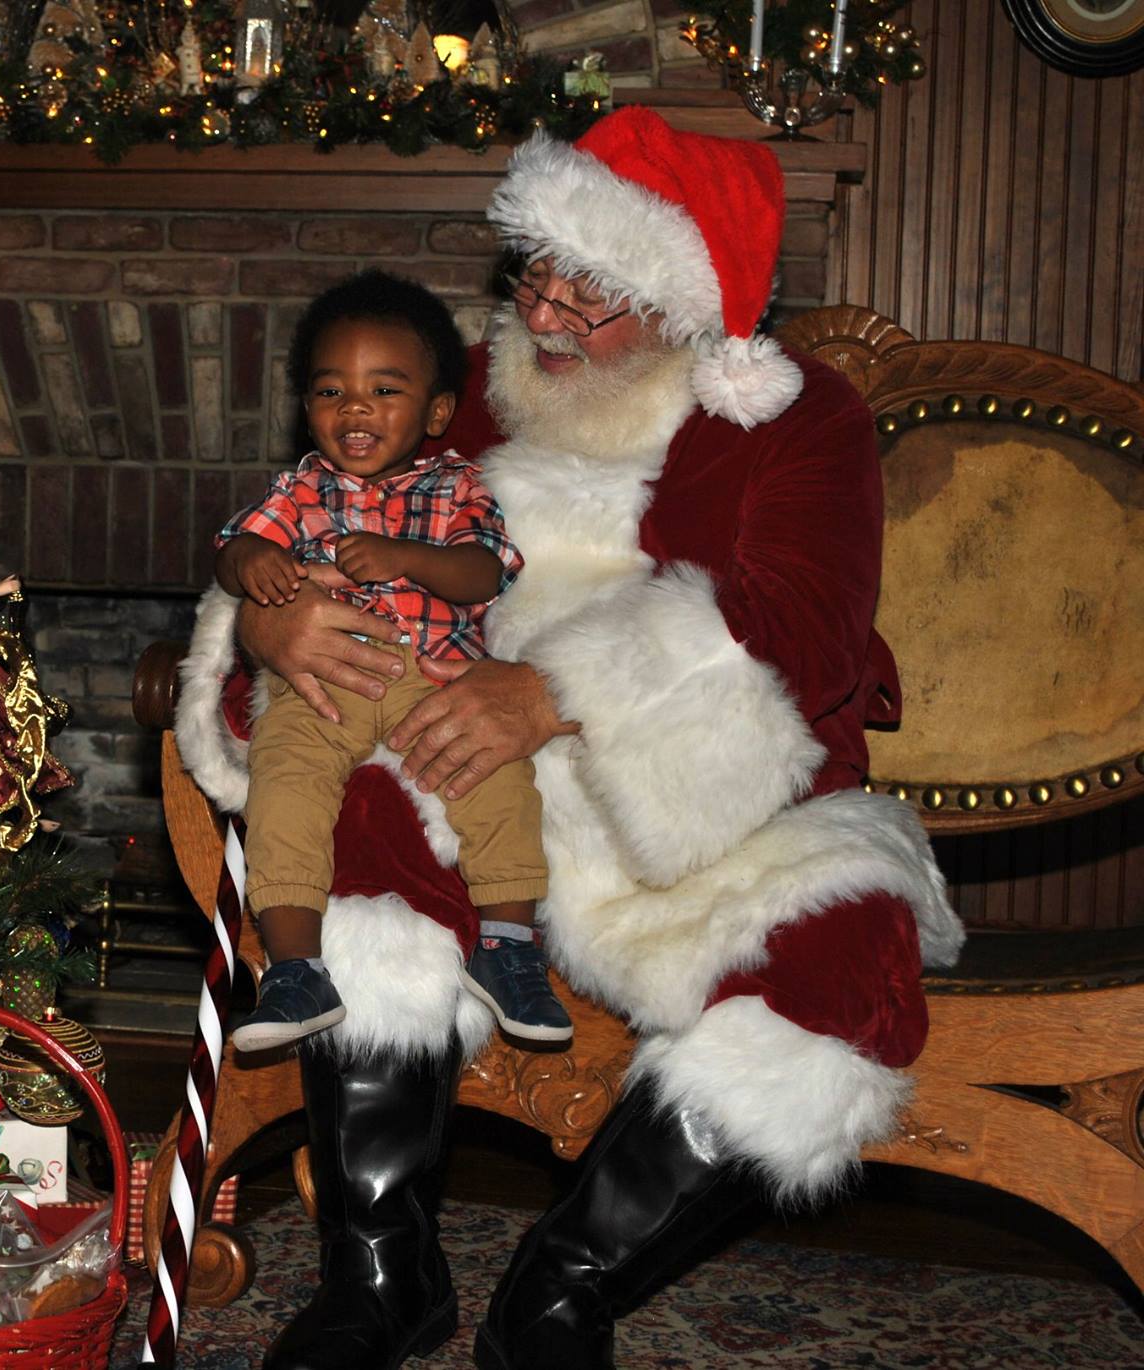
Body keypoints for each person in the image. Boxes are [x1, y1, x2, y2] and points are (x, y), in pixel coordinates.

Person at [173, 105, 963, 1370]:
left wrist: (547, 691)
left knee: (843, 968)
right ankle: (382, 1273)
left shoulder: (795, 419)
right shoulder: (472, 393)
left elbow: (802, 636)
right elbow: (309, 531)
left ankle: (557, 1290)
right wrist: (268, 631)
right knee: (353, 817)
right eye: (533, 274)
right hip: (473, 777)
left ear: (680, 299)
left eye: (584, 294)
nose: (540, 317)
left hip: (706, 807)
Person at [215, 270, 566, 1054]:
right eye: (330, 391)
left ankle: (509, 947)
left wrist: (406, 555)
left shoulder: (455, 485)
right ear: (306, 408)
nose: (355, 409)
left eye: (384, 390)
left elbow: (485, 571)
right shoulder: (304, 488)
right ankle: (294, 964)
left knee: (498, 780)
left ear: (437, 411)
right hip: (323, 682)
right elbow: (236, 545)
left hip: (430, 676)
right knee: (286, 785)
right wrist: (250, 567)